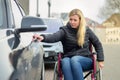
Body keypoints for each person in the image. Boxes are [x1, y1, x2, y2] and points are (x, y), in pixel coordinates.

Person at [33, 9, 104, 80]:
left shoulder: (86, 30)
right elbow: (54, 37)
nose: (72, 22)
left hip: (85, 59)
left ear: (80, 20)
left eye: (75, 20)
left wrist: (100, 60)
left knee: (75, 60)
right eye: (71, 19)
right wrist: (42, 37)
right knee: (65, 61)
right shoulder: (65, 30)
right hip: (68, 58)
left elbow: (97, 44)